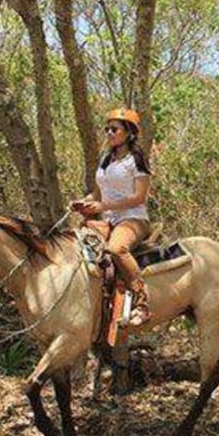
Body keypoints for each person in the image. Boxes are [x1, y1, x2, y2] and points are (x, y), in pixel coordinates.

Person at [74, 108, 153, 327]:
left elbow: (139, 197)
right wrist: (84, 202)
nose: (109, 132)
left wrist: (103, 205)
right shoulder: (106, 160)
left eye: (114, 129)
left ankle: (142, 302)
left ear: (128, 133)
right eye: (107, 128)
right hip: (107, 220)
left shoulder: (136, 160)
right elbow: (98, 194)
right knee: (75, 242)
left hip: (133, 218)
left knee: (116, 249)